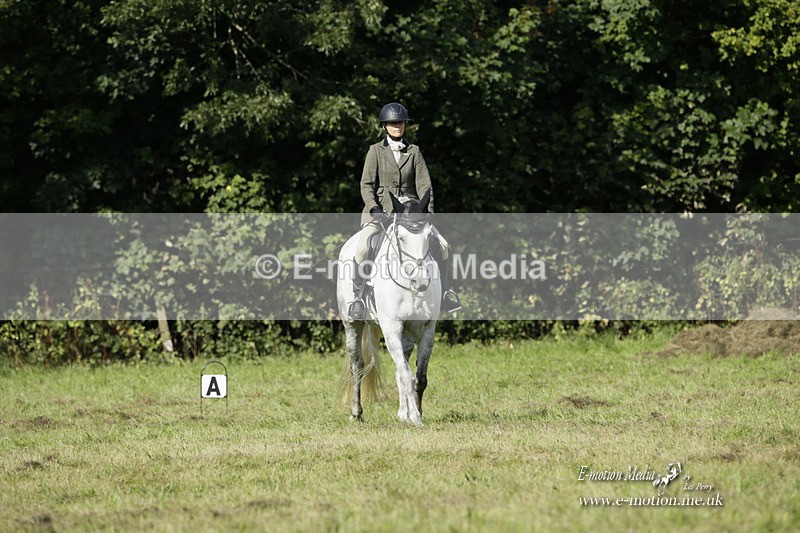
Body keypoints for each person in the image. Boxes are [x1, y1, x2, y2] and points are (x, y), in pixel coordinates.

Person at [347, 102, 461, 321]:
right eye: (393, 123)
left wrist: (428, 211)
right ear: (385, 126)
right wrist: (374, 208)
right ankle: (358, 298)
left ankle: (447, 292)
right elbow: (366, 185)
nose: (397, 126)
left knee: (443, 246)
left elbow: (425, 186)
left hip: (411, 213)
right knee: (362, 249)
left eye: (400, 123)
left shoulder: (414, 151)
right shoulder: (375, 151)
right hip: (381, 212)